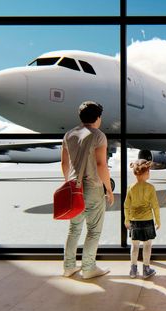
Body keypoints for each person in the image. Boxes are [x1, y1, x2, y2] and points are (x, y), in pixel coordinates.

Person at [61, 101, 115, 279]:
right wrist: (108, 188)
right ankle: (88, 267)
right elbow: (101, 165)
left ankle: (69, 267)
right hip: (93, 187)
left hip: (74, 186)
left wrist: (69, 183)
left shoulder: (69, 135)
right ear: (98, 117)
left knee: (74, 229)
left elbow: (64, 163)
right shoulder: (98, 135)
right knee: (93, 230)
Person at [124, 159, 160, 279]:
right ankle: (146, 269)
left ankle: (133, 270)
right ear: (145, 173)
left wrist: (127, 219)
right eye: (148, 171)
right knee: (147, 245)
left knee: (134, 246)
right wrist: (158, 220)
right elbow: (155, 205)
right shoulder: (150, 187)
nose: (149, 173)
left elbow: (126, 205)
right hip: (148, 220)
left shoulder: (131, 187)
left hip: (134, 221)